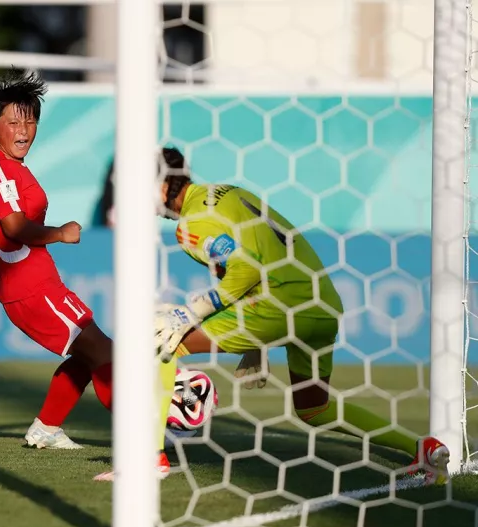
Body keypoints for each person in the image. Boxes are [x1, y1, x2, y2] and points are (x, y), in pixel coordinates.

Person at [151, 146, 450, 485]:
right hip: (321, 303)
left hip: (277, 305)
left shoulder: (190, 226)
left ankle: (150, 456)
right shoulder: (231, 192)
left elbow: (245, 270)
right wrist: (256, 346)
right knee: (313, 408)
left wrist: (191, 312)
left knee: (164, 342)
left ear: (162, 184)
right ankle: (421, 447)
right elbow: (258, 254)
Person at [0, 69, 171, 477]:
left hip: (39, 284)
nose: (24, 128)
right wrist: (59, 234)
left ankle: (46, 427)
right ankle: (143, 453)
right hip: (30, 289)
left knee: (87, 354)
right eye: (14, 120)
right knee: (106, 353)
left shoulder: (14, 167)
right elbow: (13, 227)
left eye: (30, 120)